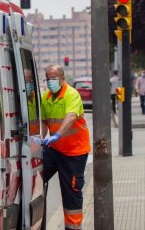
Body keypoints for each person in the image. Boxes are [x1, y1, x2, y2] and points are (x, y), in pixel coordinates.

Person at [40, 65, 90, 230]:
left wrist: (57, 135)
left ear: (62, 78)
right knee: (35, 178)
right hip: (55, 150)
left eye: (53, 78)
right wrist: (40, 139)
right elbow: (44, 122)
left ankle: (73, 227)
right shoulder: (46, 96)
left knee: (71, 191)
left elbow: (70, 117)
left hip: (74, 153)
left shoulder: (71, 94)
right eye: (47, 78)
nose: (49, 81)